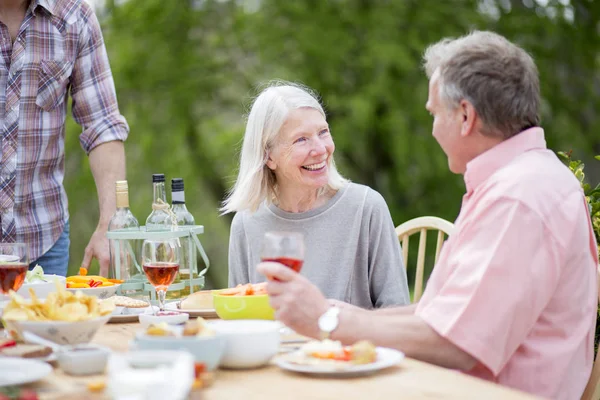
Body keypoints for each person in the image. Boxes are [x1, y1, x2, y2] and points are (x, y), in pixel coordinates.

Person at [257, 31, 599, 399]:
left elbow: (456, 344)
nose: (433, 128)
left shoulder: (520, 199)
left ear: (465, 115)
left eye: (435, 114)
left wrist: (328, 320)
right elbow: (444, 314)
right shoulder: (522, 181)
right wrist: (334, 310)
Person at [221, 81, 410, 309]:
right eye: (301, 139)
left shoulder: (366, 207)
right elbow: (239, 315)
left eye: (323, 132)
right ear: (268, 156)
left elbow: (397, 311)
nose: (320, 149)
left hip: (349, 344)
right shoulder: (246, 223)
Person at [0, 0, 128, 276]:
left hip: (43, 242)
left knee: (50, 319)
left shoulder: (74, 16)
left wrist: (111, 222)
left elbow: (103, 126)